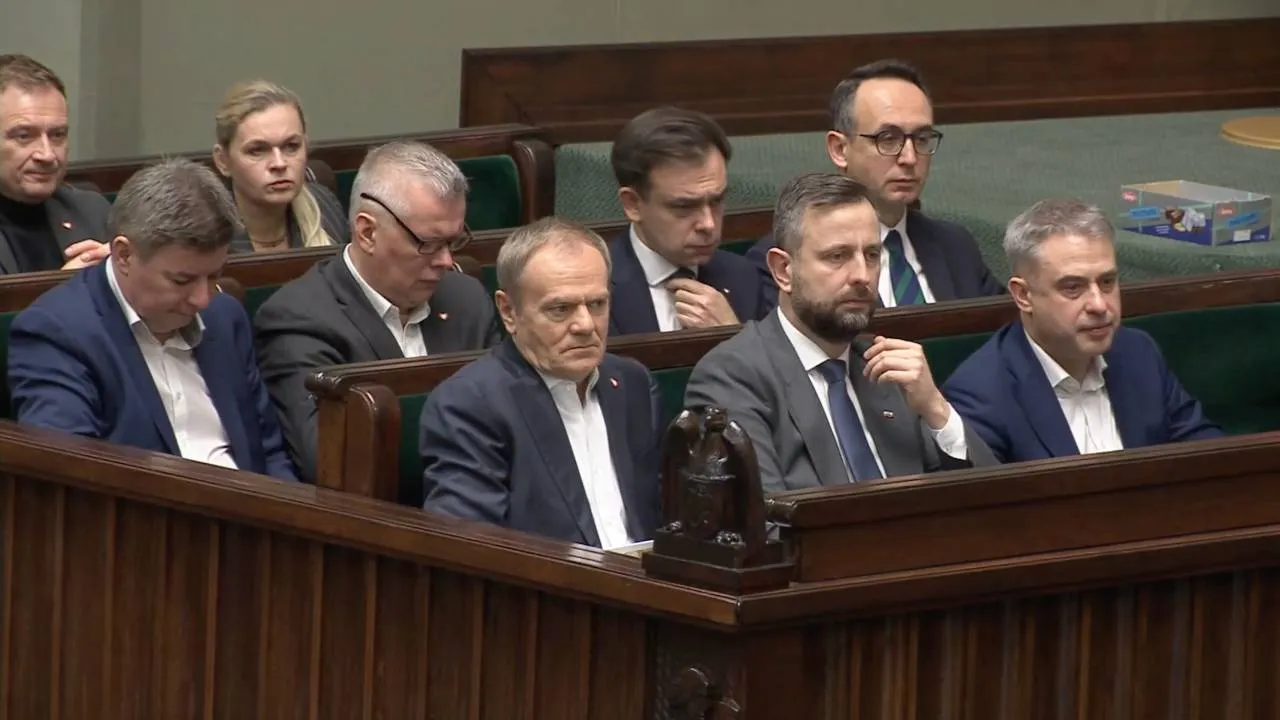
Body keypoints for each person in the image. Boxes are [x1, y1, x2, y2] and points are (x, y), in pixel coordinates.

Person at [684, 172, 995, 493]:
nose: (862, 275)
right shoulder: (732, 377)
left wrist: (936, 409)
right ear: (783, 271)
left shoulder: (887, 370)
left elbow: (990, 501)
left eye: (872, 255)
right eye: (837, 256)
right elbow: (766, 516)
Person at [7, 158, 297, 481]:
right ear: (124, 255)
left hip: (251, 507)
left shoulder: (224, 317)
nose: (202, 299)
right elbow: (70, 477)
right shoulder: (58, 333)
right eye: (182, 280)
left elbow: (269, 452)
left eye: (214, 275)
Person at [255, 140, 499, 481]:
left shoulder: (466, 299)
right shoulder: (297, 319)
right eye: (428, 244)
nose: (446, 261)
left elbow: (511, 421)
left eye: (453, 241)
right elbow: (329, 462)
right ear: (368, 232)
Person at [420, 217, 661, 548]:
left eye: (597, 304)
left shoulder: (633, 384)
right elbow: (469, 550)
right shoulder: (470, 405)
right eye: (560, 309)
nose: (585, 325)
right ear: (509, 312)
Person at [943, 198, 1222, 463]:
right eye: (1073, 287)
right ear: (1023, 295)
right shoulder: (982, 394)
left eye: (1107, 282)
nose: (1099, 305)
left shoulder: (1138, 353)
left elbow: (1204, 450)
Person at [746, 60, 1002, 312]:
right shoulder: (792, 259)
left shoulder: (954, 245)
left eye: (922, 138)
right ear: (840, 149)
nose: (910, 158)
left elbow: (1000, 328)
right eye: (888, 139)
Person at [607, 107, 767, 335]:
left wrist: (733, 336)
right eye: (684, 207)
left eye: (717, 201)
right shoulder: (591, 289)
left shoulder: (743, 277)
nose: (708, 224)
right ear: (633, 204)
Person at [0, 53, 110, 275]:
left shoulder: (92, 211)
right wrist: (64, 288)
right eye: (24, 136)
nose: (47, 154)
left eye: (57, 135)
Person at [212, 80, 346, 253]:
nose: (279, 163)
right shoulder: (206, 233)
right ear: (223, 161)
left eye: (291, 146)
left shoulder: (324, 206)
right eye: (257, 150)